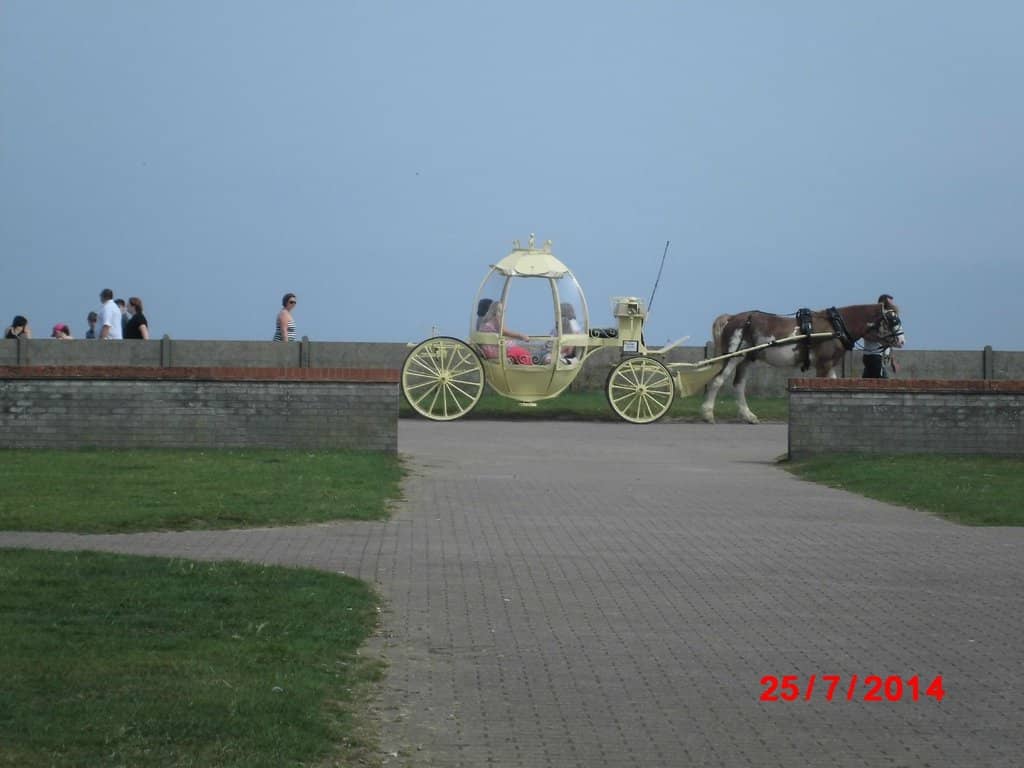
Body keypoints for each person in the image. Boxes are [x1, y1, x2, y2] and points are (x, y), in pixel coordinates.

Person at [477, 300, 532, 364]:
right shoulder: (498, 318)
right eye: (501, 310)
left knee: (515, 345)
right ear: (496, 311)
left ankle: (514, 360)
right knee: (522, 350)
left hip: (487, 350)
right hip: (497, 350)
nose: (503, 313)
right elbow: (504, 331)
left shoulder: (485, 321)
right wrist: (521, 336)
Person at [862, 293, 899, 378]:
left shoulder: (887, 320)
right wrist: (880, 339)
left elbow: (889, 342)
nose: (892, 306)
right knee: (882, 383)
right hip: (873, 355)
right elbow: (865, 334)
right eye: (890, 304)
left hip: (881, 359)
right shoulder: (872, 318)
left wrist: (893, 360)